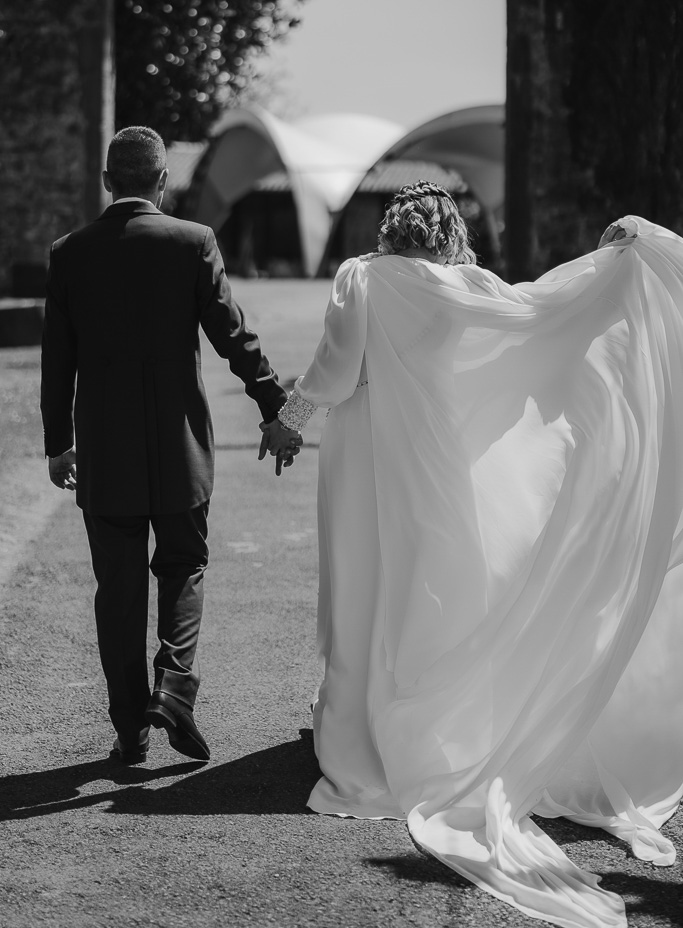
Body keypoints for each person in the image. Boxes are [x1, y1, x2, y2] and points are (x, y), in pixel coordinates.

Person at [273, 181, 683, 928]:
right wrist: (617, 267)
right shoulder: (473, 287)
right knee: (439, 591)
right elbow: (543, 314)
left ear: (391, 227)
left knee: (370, 590)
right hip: (444, 471)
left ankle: (368, 739)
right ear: (449, 230)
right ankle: (448, 729)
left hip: (373, 464)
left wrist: (287, 418)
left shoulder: (363, 277)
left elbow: (335, 373)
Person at [40, 126, 300, 766]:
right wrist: (275, 406)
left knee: (118, 589)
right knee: (184, 564)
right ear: (162, 182)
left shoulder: (70, 253)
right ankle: (175, 687)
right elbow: (232, 337)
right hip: (180, 444)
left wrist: (58, 442)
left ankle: (129, 730)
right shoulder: (193, 243)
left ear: (108, 181)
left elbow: (57, 361)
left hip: (106, 450)